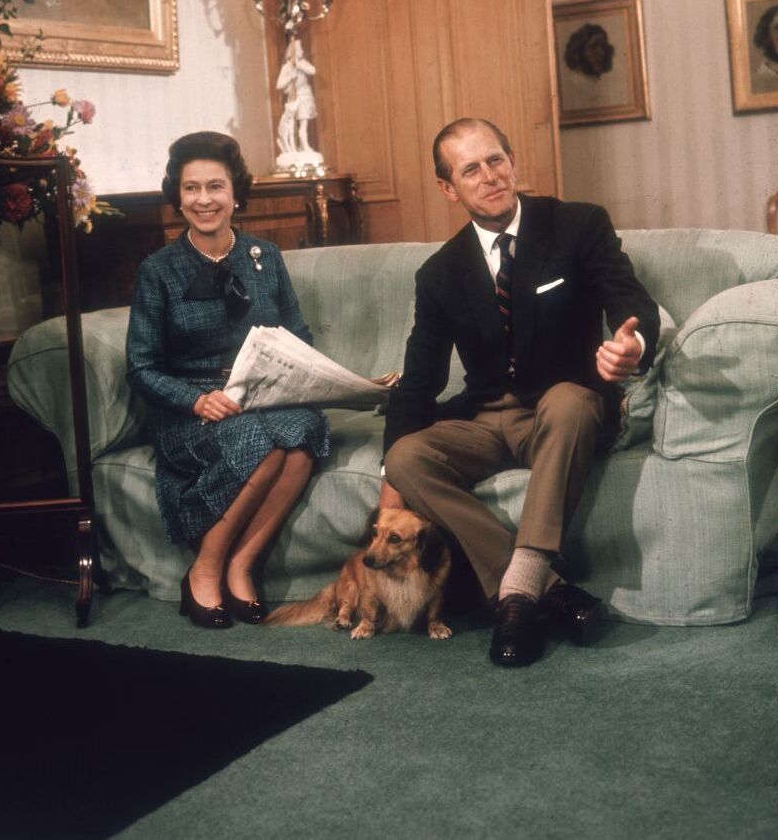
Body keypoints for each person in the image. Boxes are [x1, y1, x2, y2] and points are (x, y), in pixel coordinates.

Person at [379, 118, 660, 668]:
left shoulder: (577, 224)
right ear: (448, 188)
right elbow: (419, 382)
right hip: (486, 419)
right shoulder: (439, 273)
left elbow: (630, 301)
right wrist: (390, 487)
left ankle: (514, 598)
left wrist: (635, 345)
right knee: (406, 456)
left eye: (496, 161)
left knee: (570, 400)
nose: (489, 177)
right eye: (470, 170)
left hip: (566, 409)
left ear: (512, 161)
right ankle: (549, 589)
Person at [126, 132, 329, 629]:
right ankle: (205, 569)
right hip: (190, 412)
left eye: (215, 186)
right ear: (178, 197)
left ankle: (241, 564)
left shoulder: (264, 256)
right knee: (266, 444)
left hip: (259, 398)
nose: (204, 200)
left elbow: (296, 336)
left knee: (305, 433)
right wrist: (195, 400)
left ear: (236, 193)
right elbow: (142, 367)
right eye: (191, 189)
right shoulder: (158, 271)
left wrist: (312, 378)